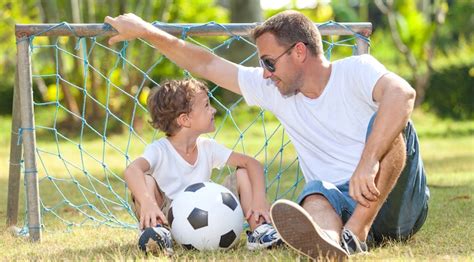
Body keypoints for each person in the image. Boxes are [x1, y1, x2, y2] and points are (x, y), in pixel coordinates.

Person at [107, 10, 429, 260]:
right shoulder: (274, 89)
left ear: (299, 52)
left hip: (394, 200)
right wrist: (145, 31)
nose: (264, 72)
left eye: (269, 61)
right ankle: (331, 244)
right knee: (315, 193)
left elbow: (402, 95)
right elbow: (206, 64)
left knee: (393, 126)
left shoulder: (356, 70)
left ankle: (355, 234)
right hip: (340, 202)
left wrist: (368, 161)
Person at [124, 79, 282, 254]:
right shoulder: (159, 150)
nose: (213, 109)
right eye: (206, 105)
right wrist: (147, 203)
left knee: (244, 172)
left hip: (208, 211)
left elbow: (252, 163)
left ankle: (260, 230)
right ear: (185, 119)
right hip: (167, 215)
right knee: (145, 179)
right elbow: (132, 170)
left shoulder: (207, 147)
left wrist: (259, 200)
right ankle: (157, 234)